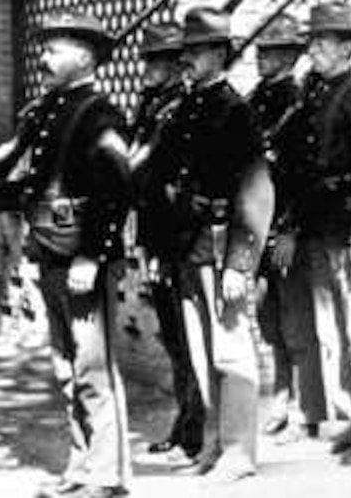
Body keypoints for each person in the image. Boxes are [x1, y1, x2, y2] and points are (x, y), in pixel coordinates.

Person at [0, 12, 132, 498]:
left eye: (55, 49)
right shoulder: (49, 110)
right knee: (66, 368)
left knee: (93, 369)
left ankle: (108, 475)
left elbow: (114, 192)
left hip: (80, 260)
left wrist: (91, 258)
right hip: (50, 252)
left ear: (84, 56)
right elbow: (38, 187)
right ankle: (82, 468)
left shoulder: (100, 114)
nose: (44, 57)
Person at [152, 6, 274, 479]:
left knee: (232, 350)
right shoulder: (183, 107)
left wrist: (242, 264)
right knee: (202, 352)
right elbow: (161, 181)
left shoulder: (235, 110)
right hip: (188, 244)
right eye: (186, 49)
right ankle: (212, 446)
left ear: (221, 54)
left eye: (199, 50)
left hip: (224, 244)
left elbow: (256, 192)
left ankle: (239, 451)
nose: (188, 58)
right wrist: (163, 248)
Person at [274, 0, 351, 465]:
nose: (315, 49)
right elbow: (302, 167)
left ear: (347, 47)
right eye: (313, 41)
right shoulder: (316, 95)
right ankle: (350, 420)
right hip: (322, 228)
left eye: (324, 41)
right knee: (334, 334)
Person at [127, 23, 205, 459]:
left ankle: (195, 429)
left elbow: (147, 164)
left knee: (185, 335)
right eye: (150, 60)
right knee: (173, 338)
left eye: (160, 60)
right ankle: (185, 421)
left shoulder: (178, 108)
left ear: (178, 65)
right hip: (153, 232)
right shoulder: (153, 103)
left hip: (176, 234)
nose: (150, 68)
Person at [249, 13, 327, 441]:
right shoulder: (256, 98)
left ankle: (308, 410)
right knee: (271, 321)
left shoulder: (299, 104)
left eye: (271, 51)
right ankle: (281, 398)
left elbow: (305, 175)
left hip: (287, 228)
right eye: (260, 50)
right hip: (257, 226)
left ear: (289, 57)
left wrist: (292, 229)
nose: (262, 57)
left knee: (298, 323)